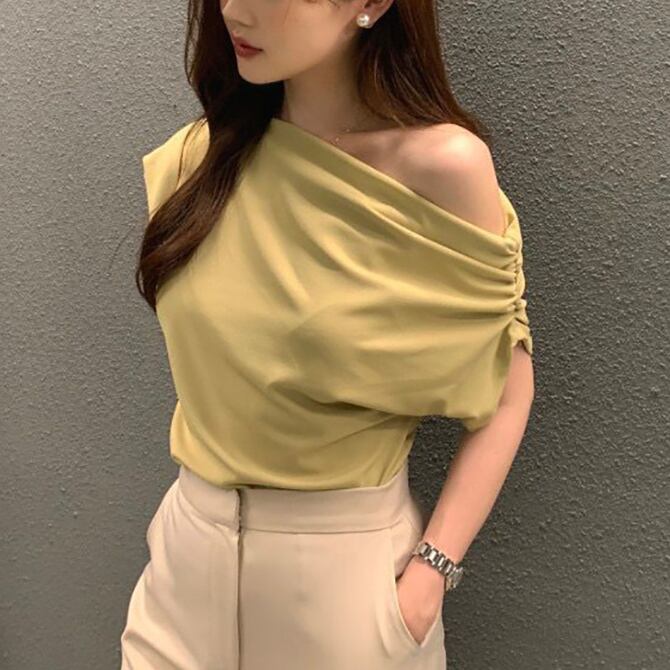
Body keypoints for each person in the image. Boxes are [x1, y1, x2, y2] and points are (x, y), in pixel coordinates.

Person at [119, 0, 536, 668]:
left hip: (345, 595)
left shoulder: (442, 168)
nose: (232, 10)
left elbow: (507, 388)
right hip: (182, 576)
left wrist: (430, 576)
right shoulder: (203, 157)